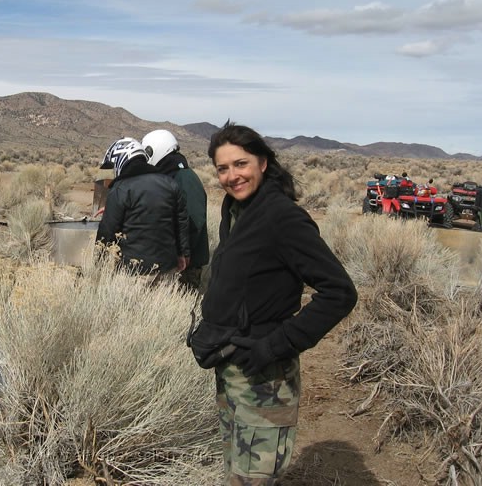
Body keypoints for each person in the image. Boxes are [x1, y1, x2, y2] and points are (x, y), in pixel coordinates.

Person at [201, 121, 357, 484]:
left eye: (241, 164)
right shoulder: (236, 211)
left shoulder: (281, 217)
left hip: (265, 378)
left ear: (263, 163)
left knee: (254, 478)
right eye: (223, 168)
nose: (232, 176)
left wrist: (275, 345)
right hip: (233, 369)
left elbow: (339, 292)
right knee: (236, 473)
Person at [96, 137, 191, 276]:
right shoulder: (170, 183)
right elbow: (181, 223)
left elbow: (107, 230)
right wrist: (183, 253)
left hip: (133, 271)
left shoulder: (121, 189)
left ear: (120, 159)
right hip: (167, 267)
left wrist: (98, 261)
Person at [141, 129, 209, 291]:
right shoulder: (170, 176)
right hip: (172, 259)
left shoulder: (184, 178)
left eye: (148, 152)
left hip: (186, 264)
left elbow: (195, 221)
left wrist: (183, 252)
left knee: (182, 301)